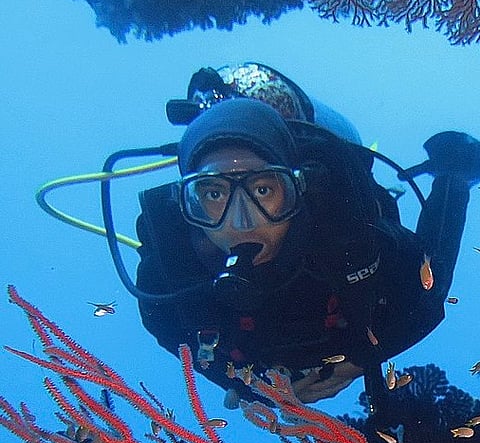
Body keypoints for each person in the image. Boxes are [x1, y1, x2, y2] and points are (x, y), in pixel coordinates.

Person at [134, 68, 480, 409]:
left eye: (263, 189)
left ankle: (454, 174)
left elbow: (427, 298)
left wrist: (366, 358)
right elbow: (170, 333)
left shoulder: (344, 229)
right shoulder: (170, 268)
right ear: (187, 204)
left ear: (295, 191)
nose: (242, 221)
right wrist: (249, 389)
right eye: (213, 195)